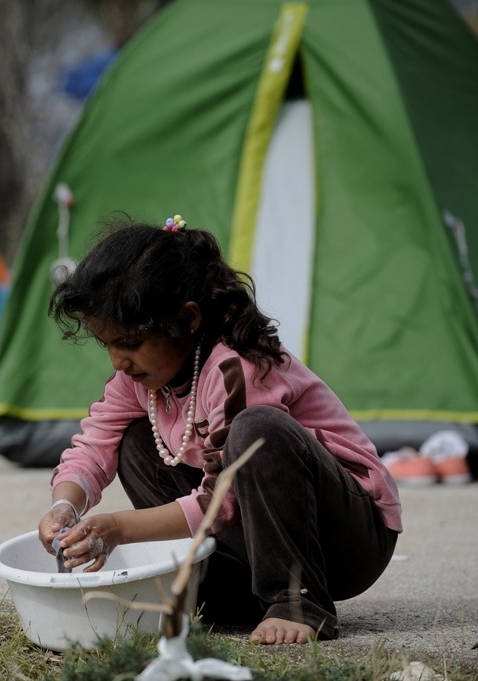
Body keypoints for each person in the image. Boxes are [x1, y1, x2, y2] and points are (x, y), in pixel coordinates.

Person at [38, 214, 402, 645]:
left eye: (131, 343)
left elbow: (223, 495)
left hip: (346, 535)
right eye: (108, 345)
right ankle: (220, 588)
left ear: (188, 319)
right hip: (256, 538)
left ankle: (297, 600)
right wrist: (67, 505)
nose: (118, 361)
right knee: (134, 443)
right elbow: (95, 444)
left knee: (257, 431)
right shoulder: (139, 382)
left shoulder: (237, 366)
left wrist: (117, 527)